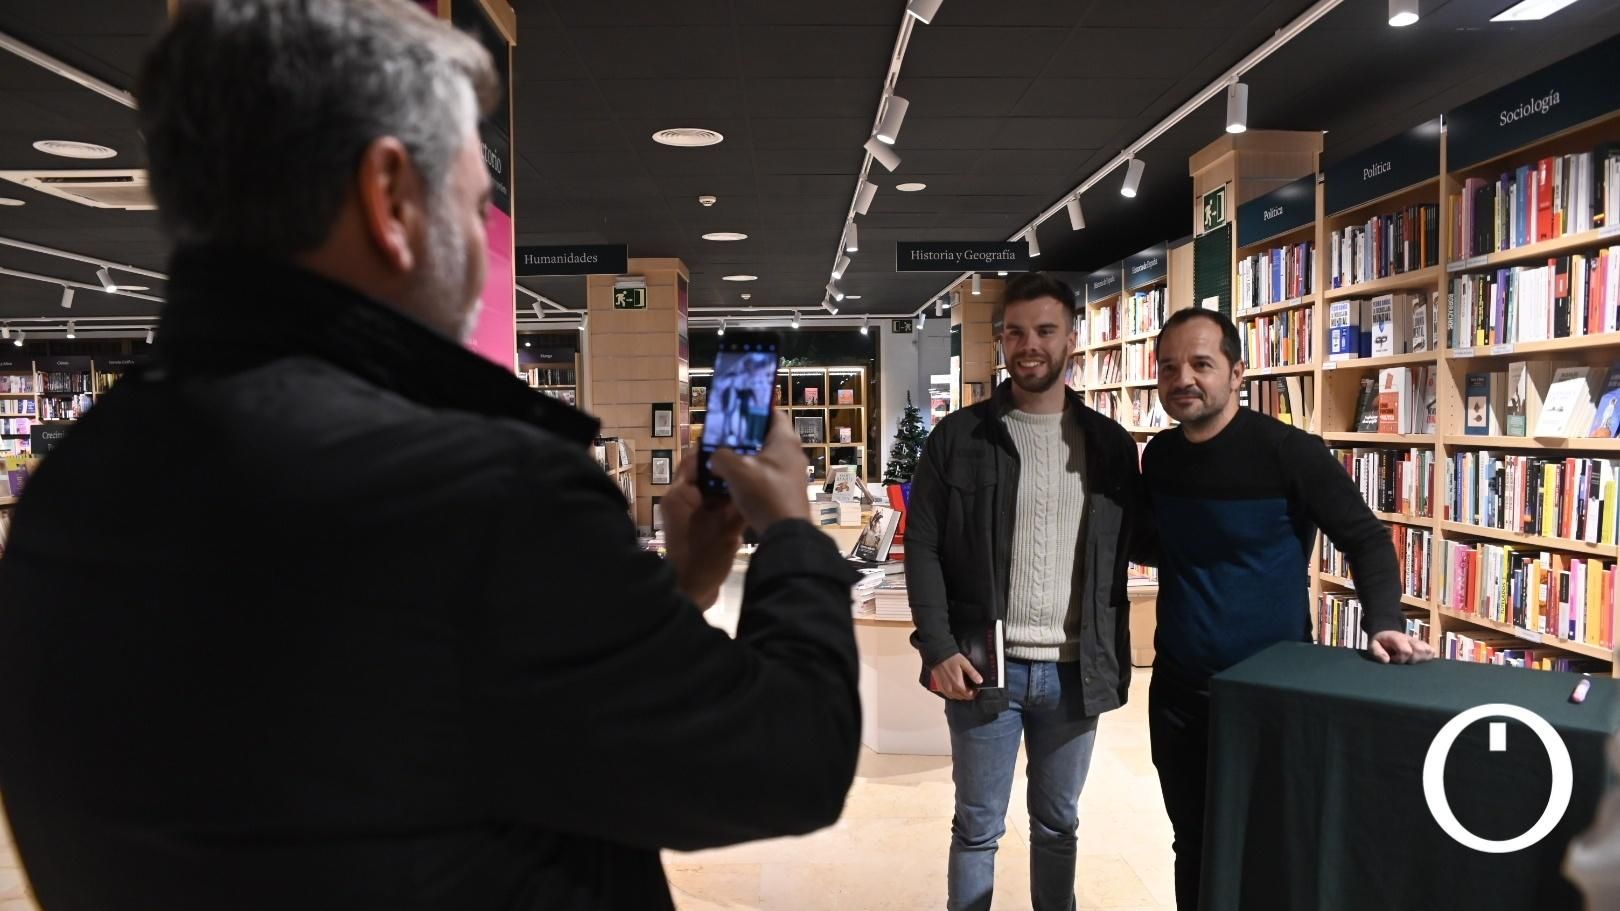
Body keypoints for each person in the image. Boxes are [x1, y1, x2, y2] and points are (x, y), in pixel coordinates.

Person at [0, 2, 861, 909]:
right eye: (474, 199)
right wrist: (793, 532)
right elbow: (786, 759)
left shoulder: (78, 480)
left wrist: (674, 589)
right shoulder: (479, 492)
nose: (484, 247)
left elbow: (409, 721)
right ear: (392, 197)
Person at [1142, 307, 1434, 910]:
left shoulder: (1290, 451)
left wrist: (1384, 621)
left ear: (1237, 372)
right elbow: (1162, 545)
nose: (1183, 379)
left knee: (1275, 844)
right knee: (1191, 841)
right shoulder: (1160, 458)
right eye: (1169, 367)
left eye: (1201, 363)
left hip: (1270, 695)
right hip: (1177, 693)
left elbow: (1366, 538)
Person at [906, 272, 1143, 911]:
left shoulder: (1112, 447)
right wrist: (936, 647)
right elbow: (921, 548)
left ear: (1072, 338)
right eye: (1015, 331)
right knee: (977, 828)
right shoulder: (958, 440)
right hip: (985, 672)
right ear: (1001, 339)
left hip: (1076, 674)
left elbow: (1136, 549)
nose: (1028, 344)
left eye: (1044, 330)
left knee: (1058, 825)